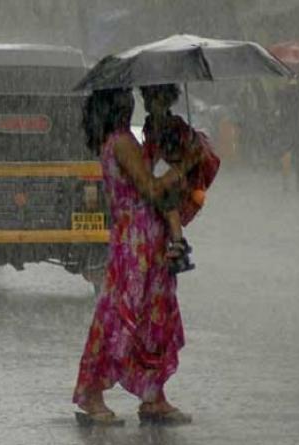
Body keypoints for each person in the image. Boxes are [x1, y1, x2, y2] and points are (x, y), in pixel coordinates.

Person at [73, 88, 200, 426]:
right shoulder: (121, 142)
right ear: (118, 104)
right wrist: (185, 166)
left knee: (152, 317)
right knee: (121, 314)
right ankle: (91, 390)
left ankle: (152, 394)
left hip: (145, 239)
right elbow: (152, 188)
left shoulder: (122, 139)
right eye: (127, 97)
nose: (133, 100)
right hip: (136, 242)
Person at [140, 84, 220, 274]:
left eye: (155, 99)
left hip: (172, 176)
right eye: (147, 99)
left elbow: (187, 152)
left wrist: (175, 168)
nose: (150, 104)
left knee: (170, 207)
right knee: (165, 209)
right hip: (159, 175)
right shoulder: (150, 123)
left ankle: (178, 243)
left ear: (166, 100)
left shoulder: (174, 124)